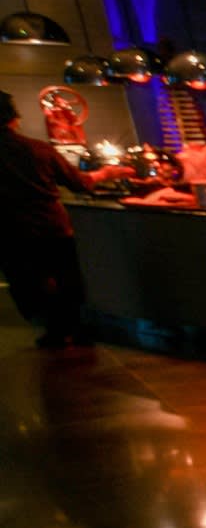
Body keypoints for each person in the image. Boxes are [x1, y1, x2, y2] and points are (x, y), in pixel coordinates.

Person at [0, 90, 130, 347]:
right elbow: (79, 183)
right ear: (14, 119)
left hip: (10, 232)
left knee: (26, 282)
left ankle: (53, 330)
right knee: (65, 279)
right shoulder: (38, 149)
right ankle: (75, 328)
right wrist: (107, 173)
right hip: (52, 227)